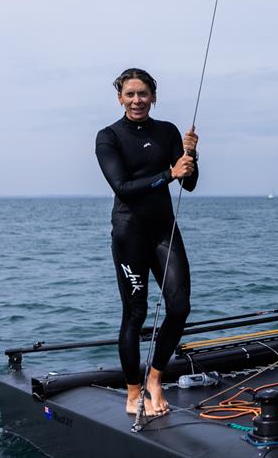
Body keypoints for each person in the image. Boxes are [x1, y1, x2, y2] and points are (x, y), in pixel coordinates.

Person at [95, 68, 199, 417]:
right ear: (120, 98)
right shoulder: (109, 137)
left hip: (163, 231)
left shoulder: (167, 131)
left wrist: (190, 157)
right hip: (130, 233)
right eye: (130, 94)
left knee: (180, 306)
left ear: (153, 96)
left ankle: (155, 377)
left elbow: (189, 184)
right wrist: (169, 173)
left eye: (143, 94)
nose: (137, 100)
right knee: (135, 314)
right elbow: (123, 187)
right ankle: (133, 391)